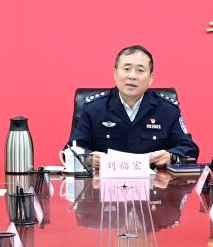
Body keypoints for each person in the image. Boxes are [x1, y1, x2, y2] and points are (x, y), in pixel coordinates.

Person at [68, 45, 199, 167]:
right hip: (103, 182)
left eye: (140, 70)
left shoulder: (167, 110)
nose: (132, 76)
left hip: (154, 183)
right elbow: (71, 150)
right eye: (126, 69)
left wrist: (171, 157)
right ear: (115, 73)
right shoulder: (93, 108)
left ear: (151, 78)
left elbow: (189, 150)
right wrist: (88, 158)